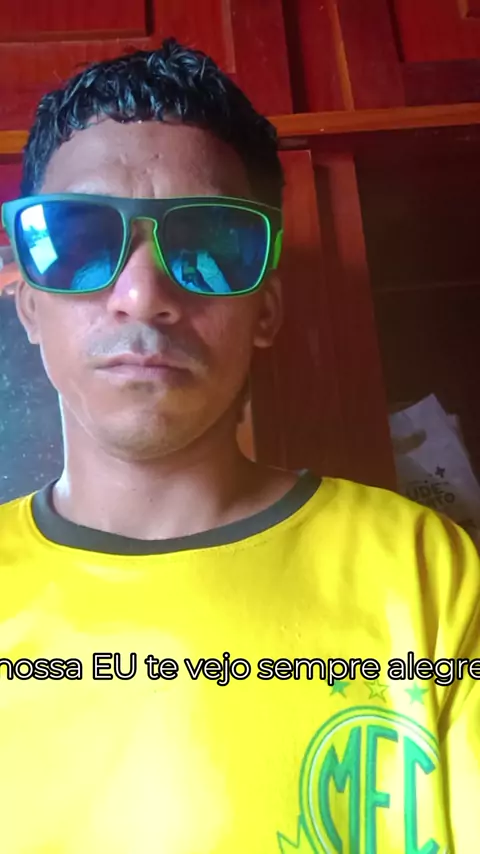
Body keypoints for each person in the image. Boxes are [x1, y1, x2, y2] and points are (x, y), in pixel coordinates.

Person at [0, 37, 478, 854]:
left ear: (266, 312)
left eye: (210, 243)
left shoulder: (422, 571)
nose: (142, 294)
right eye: (79, 239)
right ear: (30, 307)